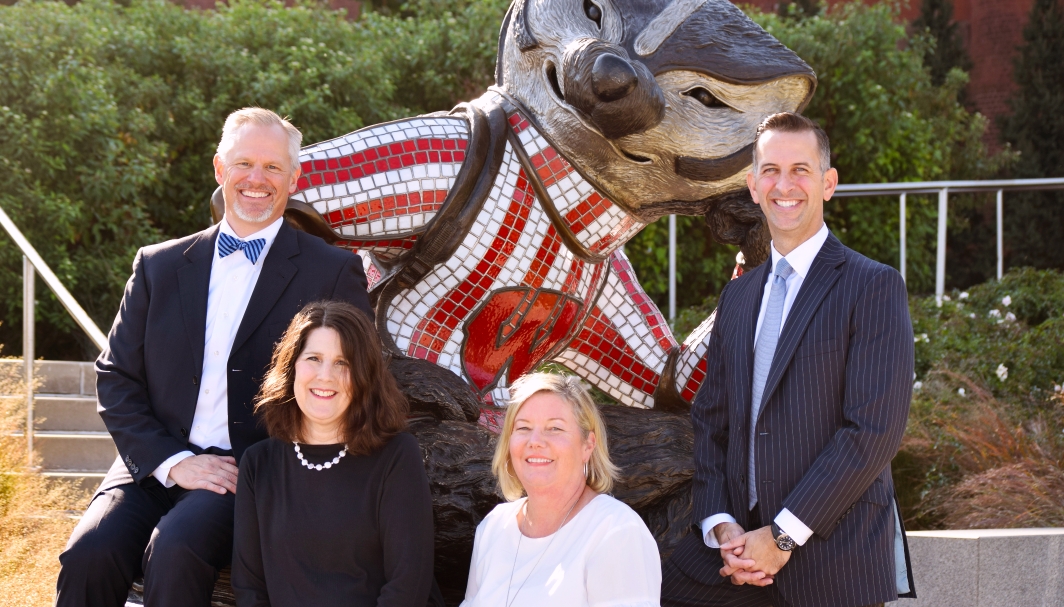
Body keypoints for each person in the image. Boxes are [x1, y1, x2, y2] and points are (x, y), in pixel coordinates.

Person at [56, 107, 373, 607]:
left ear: (294, 179)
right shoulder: (157, 265)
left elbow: (353, 382)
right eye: (244, 163)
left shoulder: (332, 271)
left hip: (246, 470)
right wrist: (173, 461)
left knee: (175, 551)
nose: (256, 179)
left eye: (272, 168)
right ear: (219, 169)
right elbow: (116, 376)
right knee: (88, 553)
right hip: (153, 461)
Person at [662, 112, 915, 607]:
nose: (786, 185)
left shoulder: (872, 286)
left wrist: (780, 537)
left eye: (801, 169)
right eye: (772, 171)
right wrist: (719, 524)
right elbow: (711, 423)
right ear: (754, 186)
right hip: (731, 557)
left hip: (831, 558)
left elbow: (873, 431)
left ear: (828, 183)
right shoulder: (737, 299)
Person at [231, 300, 437, 606]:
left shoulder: (396, 456)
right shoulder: (259, 464)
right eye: (314, 358)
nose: (325, 375)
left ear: (364, 376)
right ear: (292, 367)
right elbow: (250, 589)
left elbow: (408, 586)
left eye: (343, 362)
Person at [461, 373, 661, 607]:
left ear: (588, 445)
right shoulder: (493, 527)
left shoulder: (616, 530)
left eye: (554, 428)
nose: (535, 441)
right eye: (523, 427)